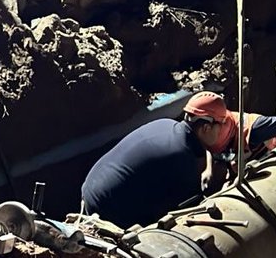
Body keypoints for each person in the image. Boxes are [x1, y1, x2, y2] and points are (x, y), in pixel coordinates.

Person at [80, 95, 230, 228]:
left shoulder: (165, 123)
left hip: (91, 188)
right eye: (222, 124)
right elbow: (185, 210)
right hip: (107, 211)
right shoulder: (183, 159)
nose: (223, 129)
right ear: (206, 128)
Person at [183, 91, 276, 191]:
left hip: (269, 169)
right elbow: (209, 146)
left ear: (207, 128)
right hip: (240, 169)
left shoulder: (252, 128)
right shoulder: (212, 134)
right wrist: (209, 169)